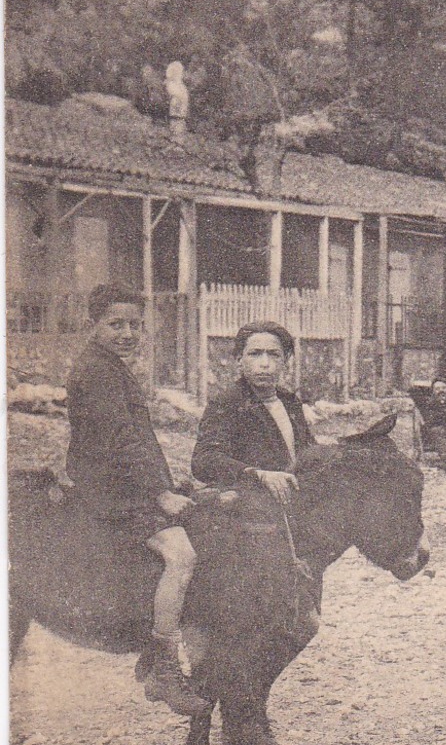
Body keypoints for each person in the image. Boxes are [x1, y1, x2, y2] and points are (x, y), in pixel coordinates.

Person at [64, 284, 209, 715]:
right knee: (181, 555)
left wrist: (171, 481)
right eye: (115, 324)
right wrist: (160, 492)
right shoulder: (97, 372)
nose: (127, 333)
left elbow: (140, 441)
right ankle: (162, 663)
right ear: (93, 325)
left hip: (121, 482)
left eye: (134, 325)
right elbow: (120, 441)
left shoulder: (112, 366)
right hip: (108, 490)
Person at [192, 321, 314, 503]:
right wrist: (259, 475)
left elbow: (307, 451)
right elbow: (204, 460)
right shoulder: (228, 402)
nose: (264, 364)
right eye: (255, 354)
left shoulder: (290, 402)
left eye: (274, 355)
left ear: (286, 361)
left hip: (293, 498)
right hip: (251, 503)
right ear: (240, 360)